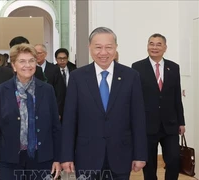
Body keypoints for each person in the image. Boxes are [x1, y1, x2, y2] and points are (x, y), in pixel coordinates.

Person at [61, 27, 147, 180]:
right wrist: (67, 155)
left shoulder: (131, 76)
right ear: (90, 48)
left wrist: (140, 154)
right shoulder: (77, 77)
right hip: (87, 156)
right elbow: (69, 120)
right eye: (98, 47)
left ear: (115, 48)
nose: (103, 52)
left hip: (121, 155)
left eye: (109, 47)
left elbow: (138, 118)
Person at [0, 43, 61, 180]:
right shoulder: (0, 91)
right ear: (14, 65)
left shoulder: (47, 90)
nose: (28, 65)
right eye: (22, 61)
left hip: (42, 159)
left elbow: (55, 127)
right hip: (9, 160)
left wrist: (57, 158)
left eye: (31, 60)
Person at [132, 33, 185, 180]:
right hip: (147, 124)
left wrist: (181, 121)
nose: (154, 47)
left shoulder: (174, 67)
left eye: (158, 44)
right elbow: (135, 99)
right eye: (151, 43)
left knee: (174, 159)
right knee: (149, 164)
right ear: (147, 46)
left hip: (170, 124)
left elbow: (176, 97)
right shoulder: (137, 67)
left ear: (165, 47)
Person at [35, 44, 66, 119]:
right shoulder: (30, 68)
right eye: (34, 53)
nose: (37, 55)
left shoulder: (54, 69)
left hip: (50, 105)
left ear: (45, 54)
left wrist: (58, 111)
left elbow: (60, 92)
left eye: (39, 53)